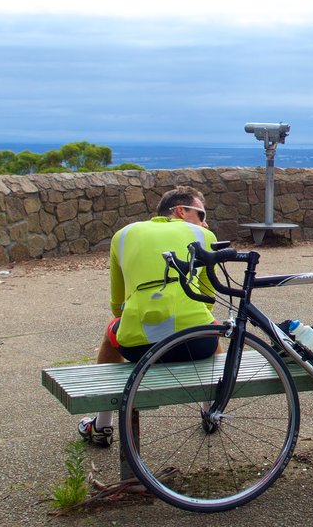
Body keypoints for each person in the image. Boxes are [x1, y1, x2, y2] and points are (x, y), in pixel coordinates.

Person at [78, 186, 220, 447]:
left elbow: (117, 306)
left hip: (140, 349)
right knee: (212, 326)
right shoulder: (204, 235)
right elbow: (209, 300)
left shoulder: (122, 236)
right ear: (181, 211)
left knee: (111, 333)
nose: (205, 221)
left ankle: (102, 425)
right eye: (201, 214)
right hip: (199, 345)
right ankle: (211, 411)